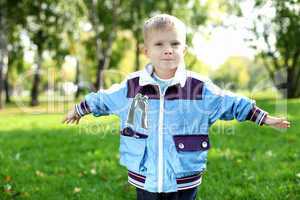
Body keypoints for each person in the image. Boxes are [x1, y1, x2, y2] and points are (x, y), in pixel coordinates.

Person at [63, 14, 290, 200]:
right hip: (145, 176)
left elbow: (230, 103)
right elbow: (104, 99)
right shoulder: (132, 87)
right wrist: (80, 109)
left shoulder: (199, 88)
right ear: (146, 51)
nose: (168, 50)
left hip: (184, 176)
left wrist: (263, 117)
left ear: (184, 50)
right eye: (159, 44)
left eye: (174, 44)